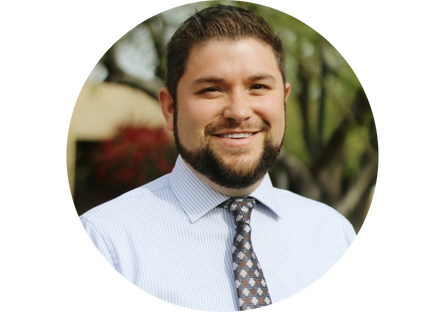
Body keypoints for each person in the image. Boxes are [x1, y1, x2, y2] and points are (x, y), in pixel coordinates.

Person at [79, 5, 356, 312]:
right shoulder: (108, 243)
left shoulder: (332, 235)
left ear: (283, 99)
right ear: (170, 108)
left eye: (259, 87)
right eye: (211, 89)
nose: (238, 111)